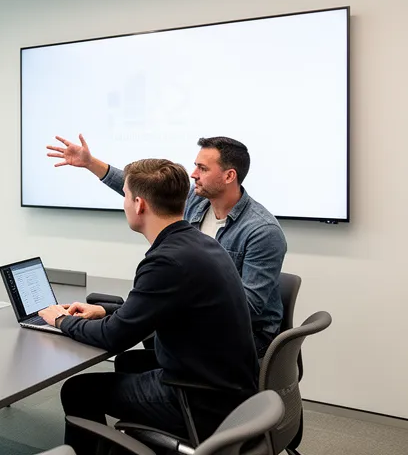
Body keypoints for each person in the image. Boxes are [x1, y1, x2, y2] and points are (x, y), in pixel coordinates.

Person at [36, 159, 259, 454]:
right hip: (230, 388)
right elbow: (166, 305)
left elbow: (113, 337)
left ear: (139, 204)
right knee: (129, 365)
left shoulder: (165, 260)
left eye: (126, 196)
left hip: (195, 399)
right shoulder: (199, 243)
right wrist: (106, 310)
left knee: (78, 390)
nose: (125, 203)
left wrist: (61, 321)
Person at [47, 134, 286, 355]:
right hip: (200, 319)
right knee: (134, 353)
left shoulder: (262, 232)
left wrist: (151, 312)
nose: (193, 174)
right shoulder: (196, 201)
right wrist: (90, 163)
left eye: (202, 168)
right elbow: (144, 187)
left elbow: (246, 309)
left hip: (246, 338)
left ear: (229, 176)